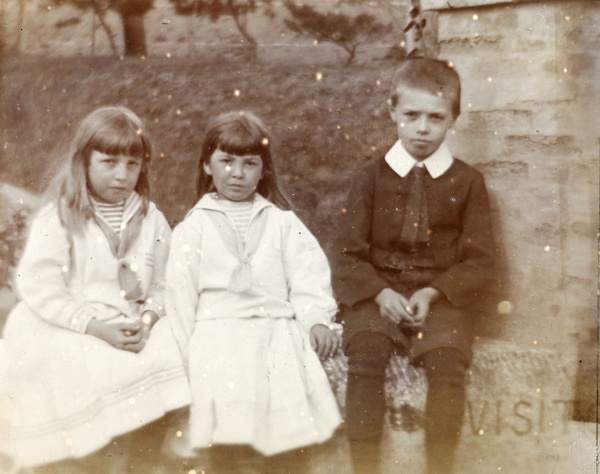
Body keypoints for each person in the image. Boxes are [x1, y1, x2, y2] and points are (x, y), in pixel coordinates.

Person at [0, 106, 192, 472]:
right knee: (73, 358)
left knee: (172, 339)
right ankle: (87, 454)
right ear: (84, 162)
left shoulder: (151, 219)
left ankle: (146, 451)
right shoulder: (61, 215)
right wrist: (96, 327)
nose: (122, 176)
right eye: (109, 162)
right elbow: (40, 286)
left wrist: (149, 318)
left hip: (129, 319)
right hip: (68, 319)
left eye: (132, 165)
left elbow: (166, 283)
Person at [331, 58, 496, 473]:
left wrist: (433, 292)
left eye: (436, 117)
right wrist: (379, 292)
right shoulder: (369, 177)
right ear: (393, 113)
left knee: (449, 363)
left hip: (438, 297)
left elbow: (479, 260)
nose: (423, 128)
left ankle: (439, 466)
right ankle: (364, 466)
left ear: (453, 119)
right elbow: (347, 253)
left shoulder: (468, 182)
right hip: (378, 292)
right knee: (365, 354)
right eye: (412, 115)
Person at [166, 111, 341, 473]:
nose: (237, 173)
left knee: (289, 436)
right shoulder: (192, 228)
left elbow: (308, 279)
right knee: (227, 437)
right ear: (206, 166)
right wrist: (183, 359)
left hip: (274, 332)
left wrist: (317, 320)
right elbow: (180, 297)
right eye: (226, 161)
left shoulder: (282, 222)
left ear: (264, 171)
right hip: (217, 336)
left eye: (249, 164)